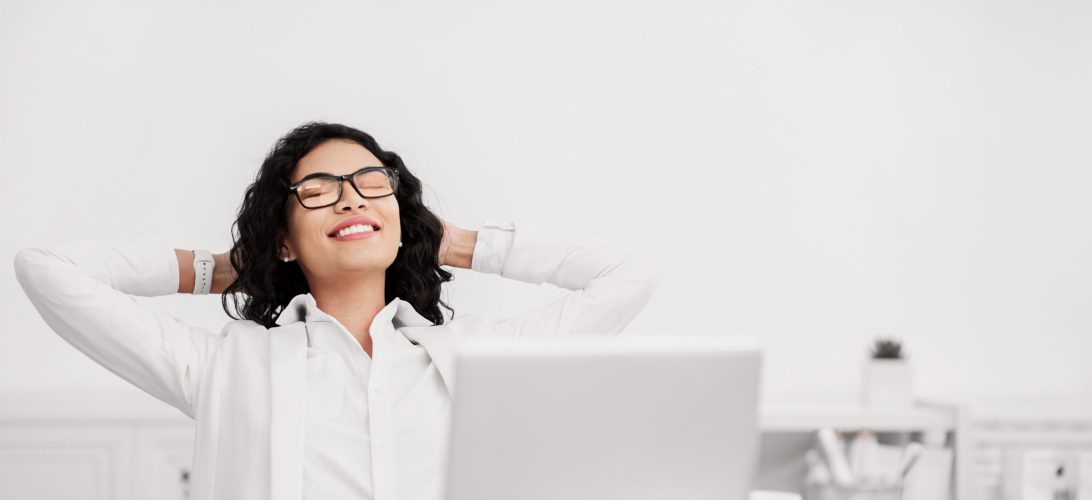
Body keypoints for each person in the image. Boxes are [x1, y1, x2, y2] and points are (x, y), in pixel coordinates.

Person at [12, 121, 664, 500]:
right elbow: (48, 269)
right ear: (283, 236)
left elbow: (626, 276)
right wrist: (225, 268)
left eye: (371, 185)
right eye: (317, 192)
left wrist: (460, 244)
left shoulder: (480, 358)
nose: (351, 201)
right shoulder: (222, 366)